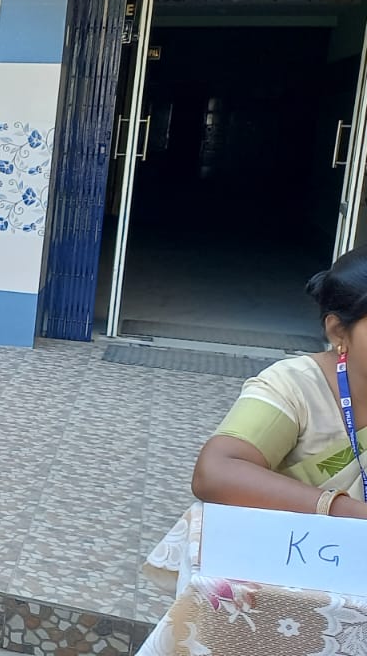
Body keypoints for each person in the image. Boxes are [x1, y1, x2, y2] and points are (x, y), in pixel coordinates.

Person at [139, 249, 367, 654]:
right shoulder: (295, 385)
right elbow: (216, 472)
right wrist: (346, 513)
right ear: (338, 331)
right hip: (281, 590)